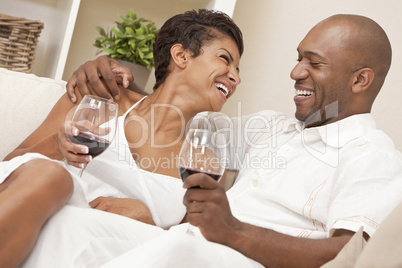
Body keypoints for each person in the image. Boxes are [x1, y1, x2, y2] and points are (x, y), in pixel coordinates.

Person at [62, 13, 402, 268]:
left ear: (360, 80)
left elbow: (353, 253)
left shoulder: (373, 155)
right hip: (181, 246)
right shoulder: (270, 128)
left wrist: (233, 231)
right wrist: (106, 78)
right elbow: (168, 116)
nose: (296, 72)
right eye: (299, 58)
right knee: (73, 225)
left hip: (228, 259)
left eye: (314, 63)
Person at [0, 9, 244, 267]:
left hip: (100, 253)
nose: (236, 77)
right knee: (53, 176)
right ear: (181, 55)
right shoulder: (102, 99)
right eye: (224, 59)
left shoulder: (205, 165)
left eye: (237, 69)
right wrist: (56, 145)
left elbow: (190, 246)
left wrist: (149, 220)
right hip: (28, 224)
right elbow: (11, 164)